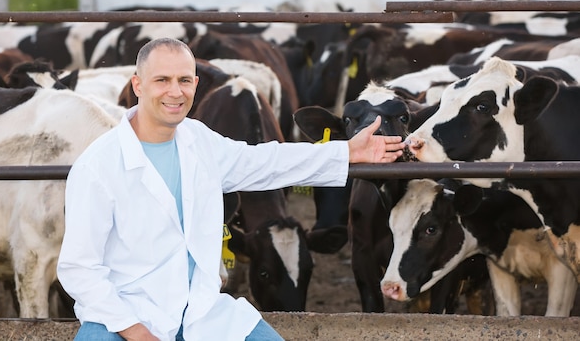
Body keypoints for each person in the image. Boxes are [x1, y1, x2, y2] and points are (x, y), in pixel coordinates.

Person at [57, 37, 405, 341]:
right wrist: (135, 331)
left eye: (183, 81)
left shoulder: (199, 141)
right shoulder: (98, 166)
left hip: (200, 312)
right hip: (122, 316)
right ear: (137, 85)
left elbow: (267, 163)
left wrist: (348, 152)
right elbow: (79, 268)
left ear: (195, 83)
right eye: (161, 80)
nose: (175, 92)